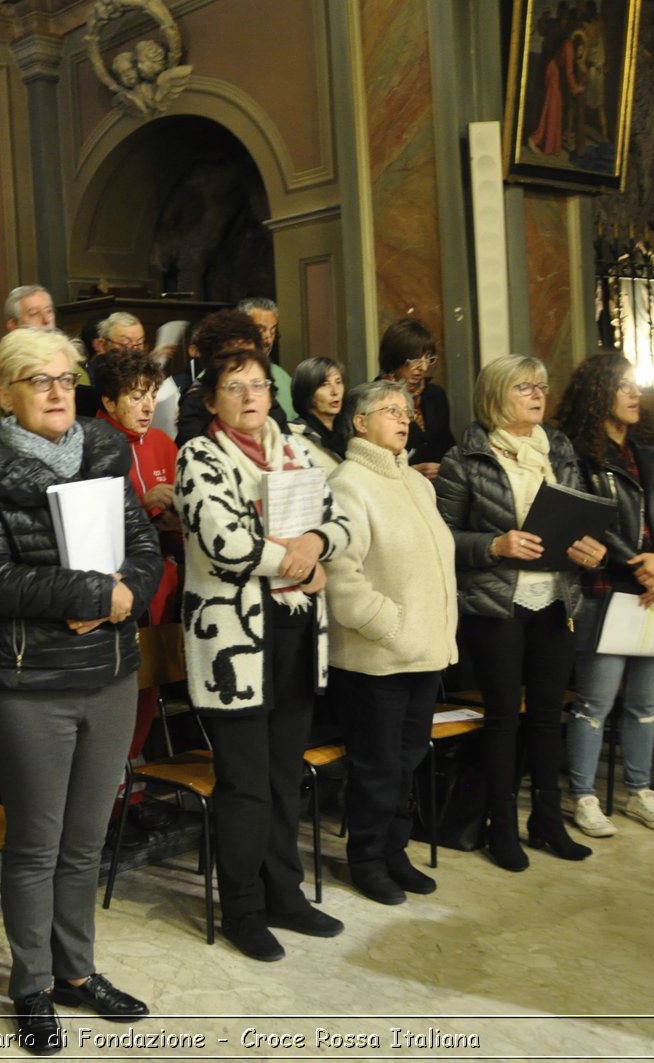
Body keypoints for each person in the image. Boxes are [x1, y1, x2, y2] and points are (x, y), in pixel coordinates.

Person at [0, 327, 159, 1053]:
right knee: (38, 843)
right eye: (37, 380)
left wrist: (122, 592)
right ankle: (30, 984)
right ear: (6, 391)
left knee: (88, 837)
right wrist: (89, 591)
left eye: (65, 379)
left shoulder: (104, 452)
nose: (55, 391)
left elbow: (145, 546)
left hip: (109, 670)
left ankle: (77, 970)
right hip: (28, 677)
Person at [174, 338, 349, 963]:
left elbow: (339, 519)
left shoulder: (294, 448)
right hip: (234, 643)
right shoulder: (199, 457)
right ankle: (242, 908)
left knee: (284, 777)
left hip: (296, 630)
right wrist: (302, 557)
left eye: (259, 386)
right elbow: (226, 543)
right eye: (236, 387)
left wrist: (316, 544)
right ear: (212, 401)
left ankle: (285, 893)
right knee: (245, 785)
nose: (252, 397)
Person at [435, 354, 607, 871]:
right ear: (496, 395)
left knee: (549, 717)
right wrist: (496, 545)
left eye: (542, 386)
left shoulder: (559, 447)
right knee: (505, 718)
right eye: (525, 387)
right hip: (497, 603)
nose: (538, 395)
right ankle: (501, 826)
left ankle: (547, 821)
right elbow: (443, 538)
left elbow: (581, 513)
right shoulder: (464, 458)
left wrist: (591, 548)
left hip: (557, 597)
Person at [322, 381, 457, 904]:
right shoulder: (348, 483)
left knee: (409, 761)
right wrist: (388, 624)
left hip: (423, 650)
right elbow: (341, 573)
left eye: (408, 411)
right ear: (359, 422)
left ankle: (394, 851)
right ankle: (366, 858)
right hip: (376, 655)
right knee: (377, 767)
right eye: (390, 411)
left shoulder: (416, 483)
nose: (404, 419)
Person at [555, 353, 654, 836]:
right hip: (605, 588)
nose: (636, 395)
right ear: (598, 394)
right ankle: (584, 795)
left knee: (647, 702)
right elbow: (587, 519)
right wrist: (639, 566)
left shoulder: (652, 451)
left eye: (636, 386)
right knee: (595, 703)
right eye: (624, 386)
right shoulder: (577, 453)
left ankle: (639, 791)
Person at [91, 349, 181, 822]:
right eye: (134, 396)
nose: (147, 406)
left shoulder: (164, 443)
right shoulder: (94, 442)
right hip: (116, 587)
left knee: (150, 688)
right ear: (107, 400)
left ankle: (129, 779)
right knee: (121, 690)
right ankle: (106, 793)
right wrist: (145, 506)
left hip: (162, 584)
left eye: (151, 395)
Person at [0, 284, 63, 428]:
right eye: (34, 313)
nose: (46, 320)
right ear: (13, 325)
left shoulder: (70, 365)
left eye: (49, 311)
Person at [175, 309, 272, 445]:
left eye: (250, 354)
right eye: (234, 357)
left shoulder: (262, 391)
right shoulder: (196, 401)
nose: (249, 397)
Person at [378, 318, 455, 479]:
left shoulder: (435, 395)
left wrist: (446, 468)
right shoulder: (374, 399)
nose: (424, 367)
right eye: (415, 360)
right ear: (395, 358)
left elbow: (448, 447)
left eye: (428, 359)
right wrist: (411, 471)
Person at [235, 297, 295, 420]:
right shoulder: (220, 373)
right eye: (260, 330)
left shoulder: (282, 377)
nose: (268, 340)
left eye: (272, 331)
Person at [289, 355, 349, 467]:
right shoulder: (295, 438)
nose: (335, 391)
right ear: (308, 392)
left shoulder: (348, 433)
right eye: (324, 384)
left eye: (338, 382)